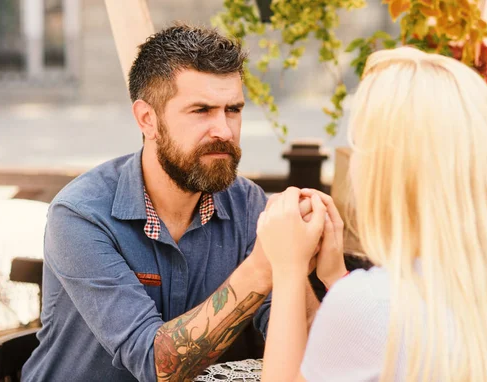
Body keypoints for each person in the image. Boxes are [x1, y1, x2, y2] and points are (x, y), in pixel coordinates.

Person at [257, 47, 487, 381]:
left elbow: (377, 322)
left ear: (390, 169)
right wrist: (336, 276)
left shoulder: (368, 304)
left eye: (361, 145)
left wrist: (288, 268)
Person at [22, 24, 322, 382]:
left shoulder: (247, 204)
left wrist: (302, 264)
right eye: (201, 111)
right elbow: (155, 364)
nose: (224, 131)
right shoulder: (80, 215)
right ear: (147, 119)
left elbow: (310, 349)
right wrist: (263, 266)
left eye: (233, 110)